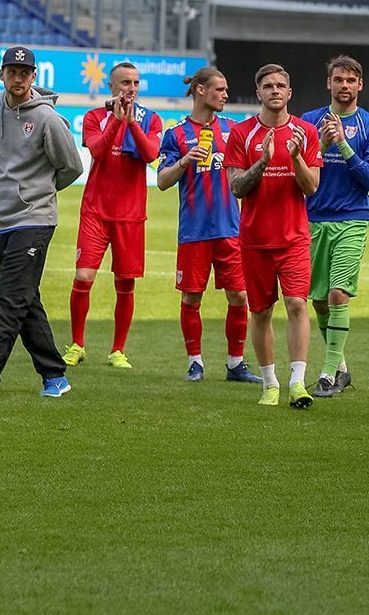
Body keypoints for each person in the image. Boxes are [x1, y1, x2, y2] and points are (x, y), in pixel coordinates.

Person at [0, 47, 83, 400]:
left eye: (24, 73)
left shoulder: (47, 119)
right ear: (2, 74)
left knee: (10, 300)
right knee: (26, 298)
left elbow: (72, 167)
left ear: (34, 77)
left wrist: (42, 191)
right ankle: (54, 375)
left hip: (35, 219)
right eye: (12, 72)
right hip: (0, 219)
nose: (18, 78)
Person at [226, 65, 323, 409]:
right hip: (254, 240)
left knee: (297, 304)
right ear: (259, 93)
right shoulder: (241, 134)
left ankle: (297, 382)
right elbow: (236, 186)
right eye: (268, 86)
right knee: (262, 312)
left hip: (294, 237)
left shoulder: (306, 132)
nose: (275, 90)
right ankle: (270, 384)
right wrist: (262, 163)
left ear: (290, 93)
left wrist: (295, 158)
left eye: (281, 85)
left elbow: (311, 186)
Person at [156, 68, 260, 383]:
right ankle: (195, 363)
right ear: (201, 91)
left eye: (226, 89)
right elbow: (161, 181)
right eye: (220, 89)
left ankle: (235, 364)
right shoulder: (175, 133)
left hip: (231, 228)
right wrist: (185, 160)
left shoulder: (234, 131)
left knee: (240, 297)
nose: (225, 95)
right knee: (191, 298)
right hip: (194, 231)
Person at [59, 62, 163, 371]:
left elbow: (150, 155)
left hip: (130, 216)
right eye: (125, 83)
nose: (131, 88)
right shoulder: (94, 117)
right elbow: (99, 151)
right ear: (111, 86)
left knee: (125, 284)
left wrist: (131, 123)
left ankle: (118, 350)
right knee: (83, 277)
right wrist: (117, 122)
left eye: (135, 83)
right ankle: (77, 344)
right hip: (95, 211)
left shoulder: (151, 119)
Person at [301, 57, 369, 398]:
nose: (345, 85)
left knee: (338, 294)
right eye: (338, 79)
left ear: (360, 85)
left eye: (351, 80)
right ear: (329, 84)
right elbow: (300, 172)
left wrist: (343, 145)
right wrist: (320, 144)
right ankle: (342, 367)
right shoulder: (309, 122)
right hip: (313, 219)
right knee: (319, 301)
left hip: (352, 217)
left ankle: (325, 374)